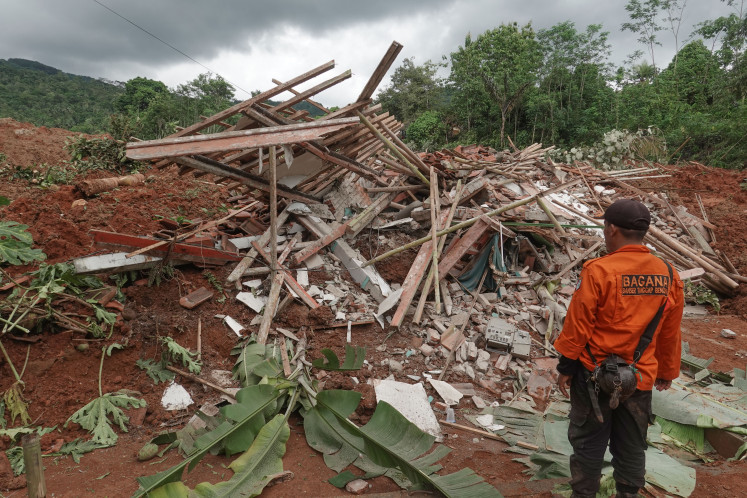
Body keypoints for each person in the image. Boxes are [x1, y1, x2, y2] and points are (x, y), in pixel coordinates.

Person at [553, 198, 684, 498]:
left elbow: (578, 325)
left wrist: (565, 367)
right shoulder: (668, 273)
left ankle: (583, 494)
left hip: (593, 377)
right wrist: (667, 371)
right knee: (633, 445)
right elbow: (670, 331)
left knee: (588, 443)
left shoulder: (599, 270)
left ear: (611, 229)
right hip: (640, 377)